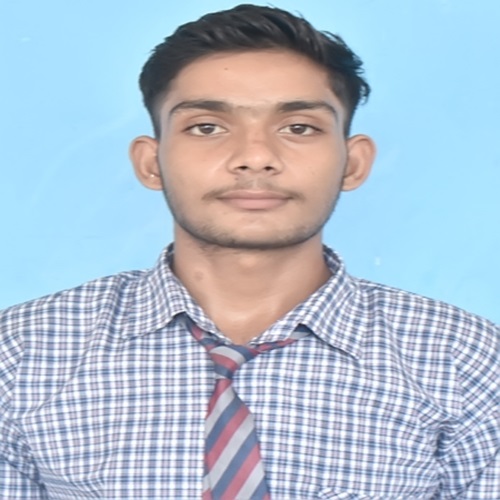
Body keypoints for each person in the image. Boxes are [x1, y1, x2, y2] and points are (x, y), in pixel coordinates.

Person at [0, 4, 498, 499]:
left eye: (299, 127)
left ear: (353, 163)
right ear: (151, 163)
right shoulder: (23, 352)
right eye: (207, 127)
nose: (255, 157)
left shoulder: (464, 359)